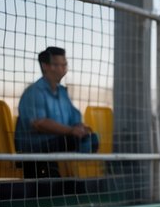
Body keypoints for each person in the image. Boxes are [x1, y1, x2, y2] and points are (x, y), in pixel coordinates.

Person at [14, 46, 99, 179]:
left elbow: (74, 118)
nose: (63, 68)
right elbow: (39, 124)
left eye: (65, 64)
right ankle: (53, 176)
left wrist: (80, 126)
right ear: (45, 66)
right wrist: (71, 131)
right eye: (58, 64)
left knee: (91, 138)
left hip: (57, 140)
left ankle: (67, 178)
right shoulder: (35, 91)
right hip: (35, 146)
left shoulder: (62, 93)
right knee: (75, 139)